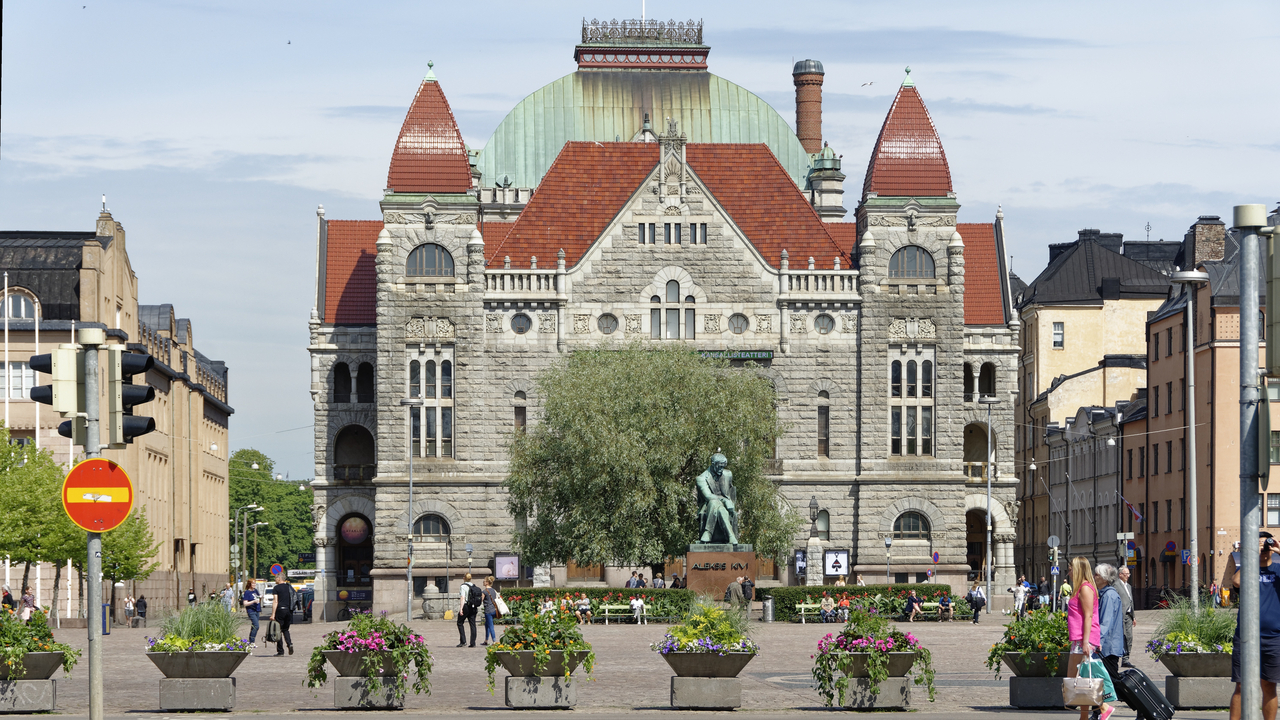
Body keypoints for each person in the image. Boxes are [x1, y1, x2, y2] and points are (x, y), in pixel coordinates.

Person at [1228, 531, 1280, 720]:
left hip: (1274, 637)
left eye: (1266, 545)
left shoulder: (1278, 570)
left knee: (1269, 685)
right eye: (1259, 545)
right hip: (1246, 636)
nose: (1264, 549)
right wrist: (1251, 556)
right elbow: (1236, 582)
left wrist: (1279, 550)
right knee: (1241, 686)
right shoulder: (1247, 570)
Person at [1066, 556, 1116, 720]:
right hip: (1080, 638)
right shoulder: (1081, 588)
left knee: (1075, 677)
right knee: (1081, 679)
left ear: (1079, 569)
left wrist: (1086, 642)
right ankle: (1084, 717)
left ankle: (1103, 707)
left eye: (1071, 568)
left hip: (1083, 639)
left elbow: (1089, 616)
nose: (1069, 572)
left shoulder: (1086, 588)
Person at [1095, 564, 1126, 688]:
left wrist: (1097, 642)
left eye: (1096, 574)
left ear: (1104, 578)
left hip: (1108, 647)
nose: (1094, 577)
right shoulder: (1104, 593)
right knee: (1107, 682)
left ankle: (1104, 707)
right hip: (1108, 646)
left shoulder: (1108, 595)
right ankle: (1101, 706)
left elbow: (1105, 623)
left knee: (1110, 683)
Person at [270, 573, 294, 656]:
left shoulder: (276, 588)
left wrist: (273, 614)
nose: (275, 579)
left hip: (280, 610)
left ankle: (280, 651)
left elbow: (275, 601)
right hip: (288, 610)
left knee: (278, 630)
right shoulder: (289, 587)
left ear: (279, 578)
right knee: (286, 629)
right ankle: (289, 644)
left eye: (276, 578)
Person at [1116, 566, 1136, 667]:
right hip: (1120, 615)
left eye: (1128, 574)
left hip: (1128, 615)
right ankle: (1117, 658)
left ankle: (1126, 659)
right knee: (1121, 637)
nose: (1128, 576)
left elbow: (1131, 601)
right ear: (1120, 575)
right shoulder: (1116, 585)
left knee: (1129, 637)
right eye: (1126, 574)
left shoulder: (1128, 586)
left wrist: (1134, 616)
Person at [457, 572, 478, 648]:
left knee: (460, 622)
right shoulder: (473, 585)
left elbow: (463, 597)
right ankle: (473, 642)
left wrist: (461, 608)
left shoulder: (463, 586)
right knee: (472, 624)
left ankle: (463, 641)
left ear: (464, 578)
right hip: (473, 607)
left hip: (466, 606)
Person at [242, 579, 262, 645]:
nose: (254, 585)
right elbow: (245, 603)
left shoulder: (255, 591)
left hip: (257, 610)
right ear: (249, 584)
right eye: (252, 584)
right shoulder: (247, 592)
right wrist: (253, 601)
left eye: (255, 584)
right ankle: (252, 641)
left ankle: (250, 640)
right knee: (256, 626)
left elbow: (258, 597)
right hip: (251, 610)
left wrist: (260, 597)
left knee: (254, 626)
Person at [481, 576, 498, 646]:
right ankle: (486, 640)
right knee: (487, 625)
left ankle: (494, 641)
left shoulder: (484, 591)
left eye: (484, 581)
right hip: (494, 610)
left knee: (491, 626)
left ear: (487, 583)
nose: (483, 582)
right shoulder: (493, 590)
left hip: (488, 610)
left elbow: (481, 600)